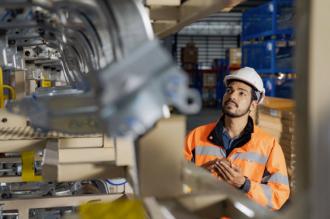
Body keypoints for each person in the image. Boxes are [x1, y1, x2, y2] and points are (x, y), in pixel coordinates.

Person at [184, 67, 290, 210]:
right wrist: (198, 176)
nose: (232, 96)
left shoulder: (268, 146)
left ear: (253, 105)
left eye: (241, 93)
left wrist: (244, 185)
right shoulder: (196, 136)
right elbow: (172, 179)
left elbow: (279, 195)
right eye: (229, 90)